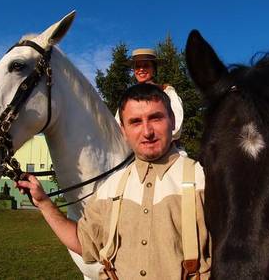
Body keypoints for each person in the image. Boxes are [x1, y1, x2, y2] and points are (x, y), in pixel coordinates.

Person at [16, 83, 210, 279]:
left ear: (173, 120)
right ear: (123, 130)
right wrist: (43, 203)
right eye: (135, 122)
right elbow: (84, 243)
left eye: (155, 118)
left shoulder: (205, 180)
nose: (147, 131)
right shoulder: (110, 187)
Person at [115, 48, 184, 141]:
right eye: (138, 66)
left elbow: (176, 127)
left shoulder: (167, 92)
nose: (141, 69)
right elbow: (118, 125)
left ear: (153, 69)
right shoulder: (128, 98)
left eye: (146, 66)